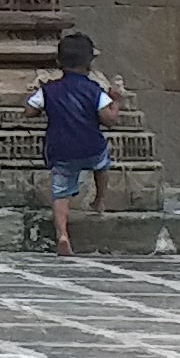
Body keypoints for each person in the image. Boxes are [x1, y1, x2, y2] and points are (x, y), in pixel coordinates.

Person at [27, 28, 116, 254]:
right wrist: (117, 100)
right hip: (91, 146)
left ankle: (63, 235)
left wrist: (35, 90)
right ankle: (100, 199)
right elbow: (109, 119)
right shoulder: (94, 90)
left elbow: (29, 110)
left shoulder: (48, 90)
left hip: (61, 149)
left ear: (58, 61)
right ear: (90, 63)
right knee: (102, 164)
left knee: (60, 193)